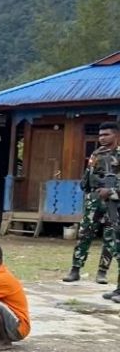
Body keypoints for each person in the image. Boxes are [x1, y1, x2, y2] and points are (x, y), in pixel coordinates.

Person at [65, 121, 119, 284]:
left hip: (114, 200)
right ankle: (75, 270)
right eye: (100, 135)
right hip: (94, 198)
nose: (101, 138)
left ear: (116, 135)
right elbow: (89, 174)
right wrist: (87, 190)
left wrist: (111, 191)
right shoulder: (97, 153)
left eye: (106, 134)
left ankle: (102, 272)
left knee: (110, 236)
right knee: (84, 233)